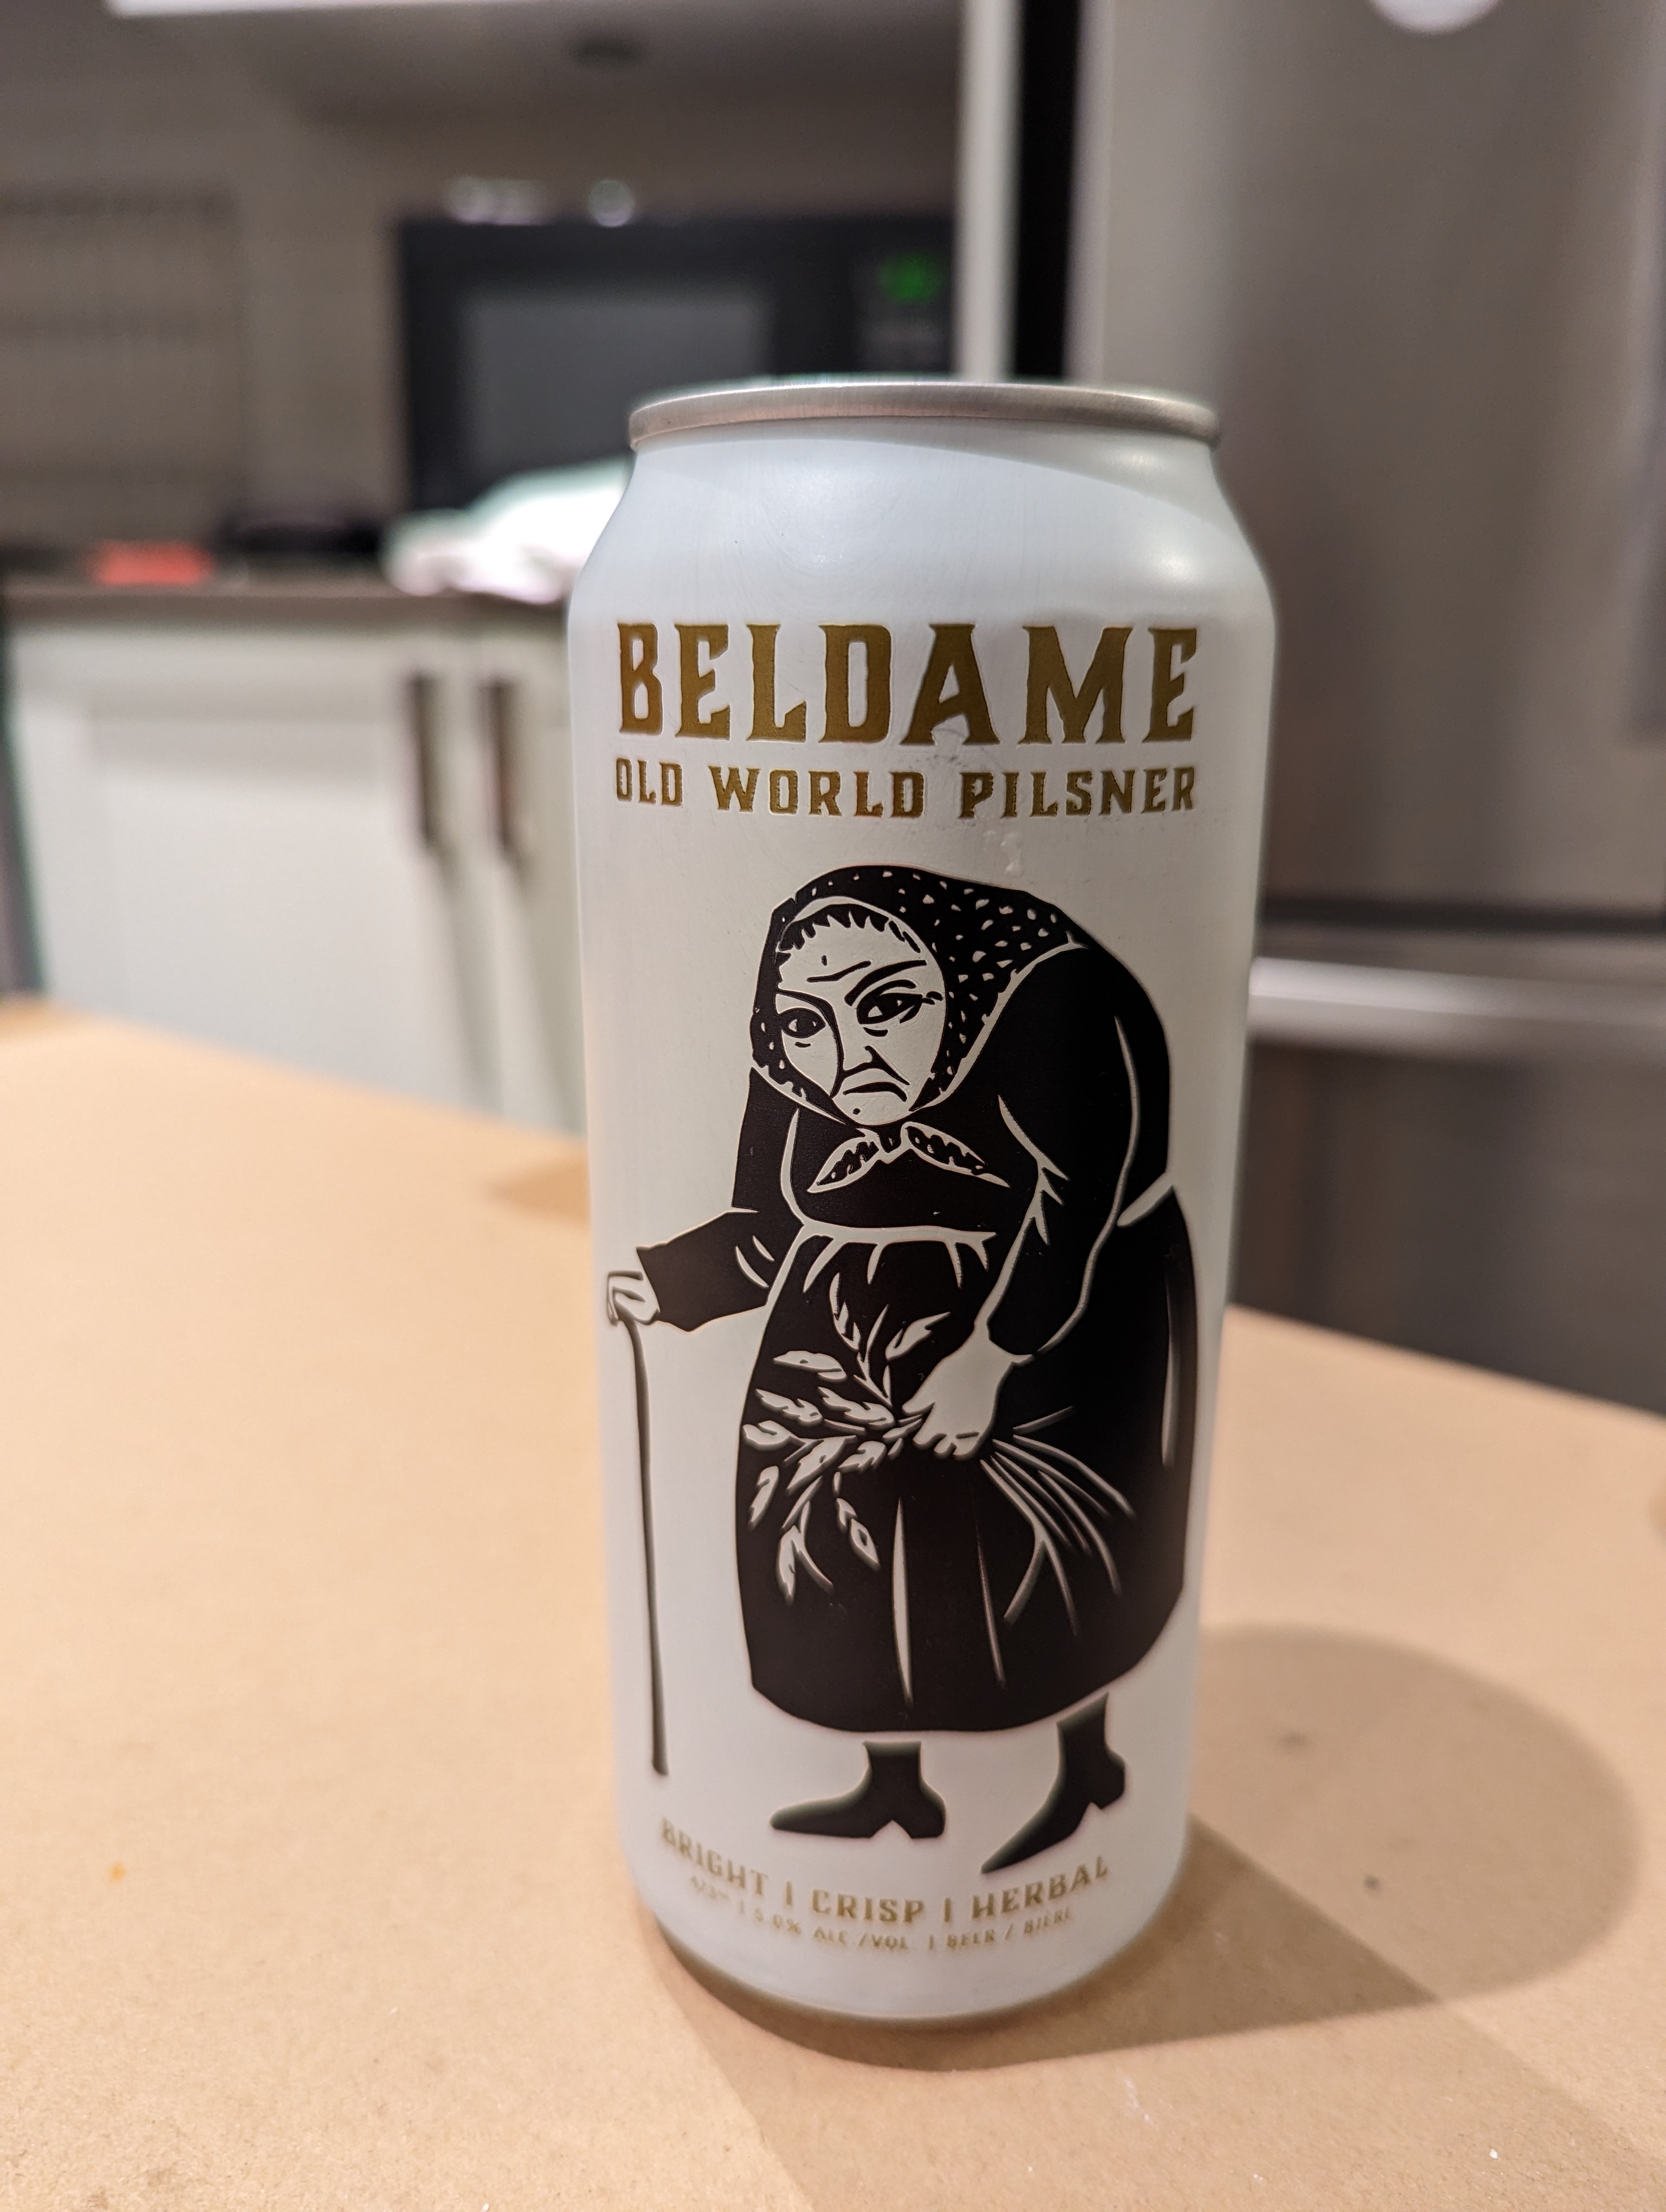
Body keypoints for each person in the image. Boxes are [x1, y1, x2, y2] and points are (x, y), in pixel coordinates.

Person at [607, 864, 1196, 1872]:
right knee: (848, 1551)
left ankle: (1086, 1767)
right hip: (849, 1329)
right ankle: (895, 1790)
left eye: (887, 1008)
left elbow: (1075, 1212)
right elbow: (769, 1220)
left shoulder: (1055, 997)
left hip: (1057, 1310)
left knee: (1042, 1552)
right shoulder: (789, 1060)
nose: (844, 1059)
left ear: (953, 987)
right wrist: (670, 1284)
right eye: (808, 1026)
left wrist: (990, 1358)